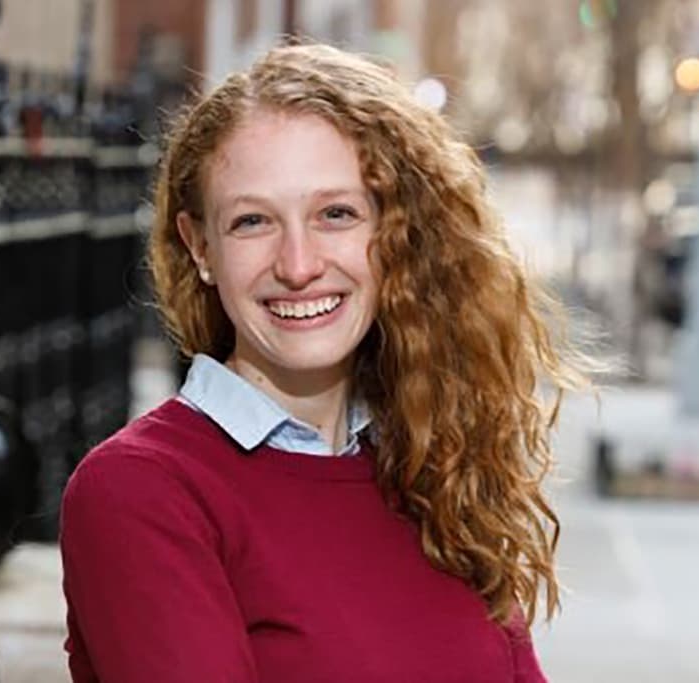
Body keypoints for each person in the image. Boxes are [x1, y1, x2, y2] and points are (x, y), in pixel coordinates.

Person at [59, 42, 590, 682]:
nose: (299, 264)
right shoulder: (143, 492)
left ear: (392, 234)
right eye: (253, 221)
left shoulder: (433, 471)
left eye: (335, 214)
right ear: (200, 247)